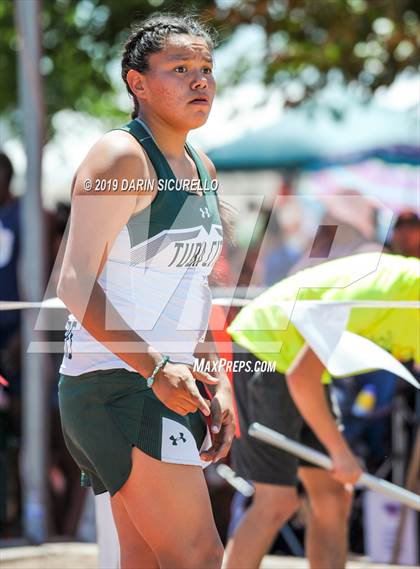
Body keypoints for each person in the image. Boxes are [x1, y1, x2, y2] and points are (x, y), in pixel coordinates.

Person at [57, 14, 235, 569]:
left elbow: (190, 284)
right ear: (137, 83)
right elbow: (73, 281)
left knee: (150, 562)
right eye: (180, 69)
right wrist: (156, 366)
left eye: (205, 68)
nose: (199, 80)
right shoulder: (121, 158)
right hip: (118, 384)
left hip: (160, 382)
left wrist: (219, 378)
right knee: (200, 557)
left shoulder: (200, 165)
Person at [224, 252, 419, 569]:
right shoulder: (377, 292)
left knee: (333, 497)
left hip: (303, 367)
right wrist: (339, 451)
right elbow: (302, 377)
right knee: (276, 501)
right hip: (267, 346)